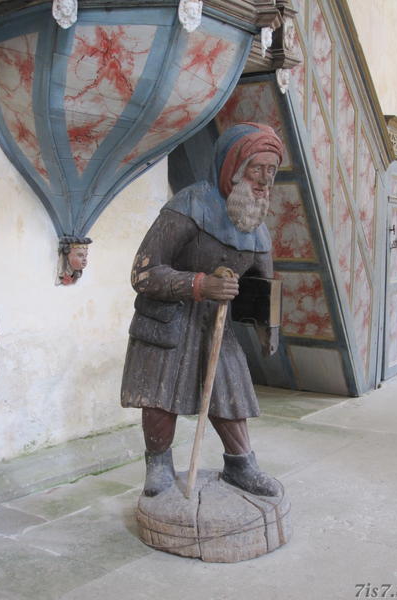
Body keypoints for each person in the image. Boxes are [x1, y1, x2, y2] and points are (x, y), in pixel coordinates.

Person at [121, 122, 283, 497]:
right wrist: (198, 284)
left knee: (230, 392)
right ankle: (159, 465)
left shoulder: (256, 225)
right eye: (256, 168)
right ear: (233, 166)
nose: (263, 180)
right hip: (169, 319)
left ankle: (242, 465)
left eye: (271, 171)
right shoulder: (190, 205)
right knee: (162, 394)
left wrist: (267, 327)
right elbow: (143, 273)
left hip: (215, 323)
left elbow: (262, 287)